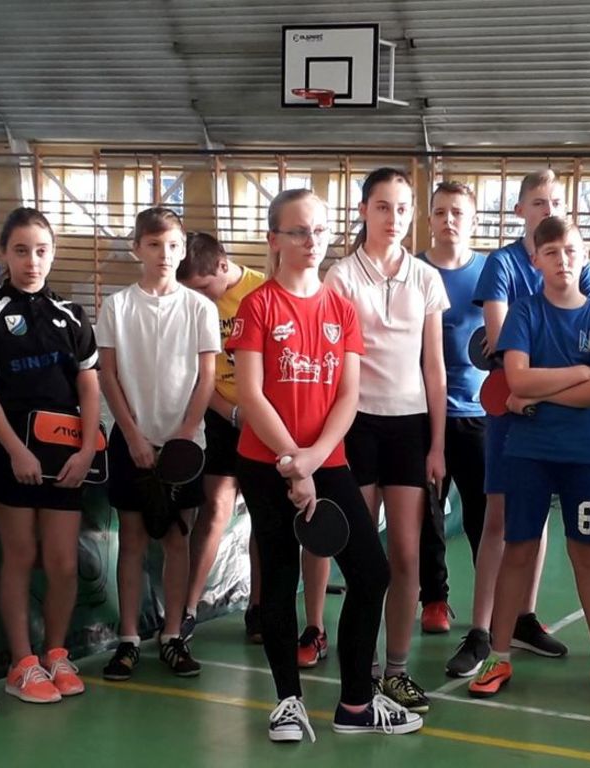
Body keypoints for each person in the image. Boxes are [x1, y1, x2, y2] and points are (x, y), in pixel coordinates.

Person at [229, 188, 419, 741]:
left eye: (318, 230)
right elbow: (251, 395)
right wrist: (293, 463)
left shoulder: (341, 309)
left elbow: (348, 395)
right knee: (279, 576)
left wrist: (312, 460)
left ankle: (356, 703)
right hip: (266, 463)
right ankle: (288, 702)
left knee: (372, 572)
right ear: (274, 239)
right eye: (297, 231)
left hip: (326, 461)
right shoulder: (257, 306)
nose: (311, 241)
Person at [467, 217, 590, 705]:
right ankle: (498, 655)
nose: (562, 259)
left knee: (588, 554)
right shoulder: (524, 312)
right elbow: (518, 381)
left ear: (584, 256)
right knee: (518, 550)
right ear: (536, 260)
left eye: (570, 250)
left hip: (586, 458)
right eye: (551, 253)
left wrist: (545, 391)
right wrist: (580, 374)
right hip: (528, 454)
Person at [449, 169, 590, 676]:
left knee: (539, 519)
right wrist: (554, 369)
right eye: (538, 202)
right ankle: (480, 629)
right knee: (498, 518)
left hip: (557, 413)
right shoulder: (503, 264)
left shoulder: (583, 264)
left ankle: (523, 619)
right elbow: (500, 342)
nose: (548, 209)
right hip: (511, 410)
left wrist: (542, 375)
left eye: (556, 201)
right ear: (520, 211)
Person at [323, 167, 448, 713]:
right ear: (363, 210)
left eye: (401, 208)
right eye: (382, 207)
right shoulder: (341, 278)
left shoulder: (426, 278)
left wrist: (437, 445)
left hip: (409, 426)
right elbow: (334, 364)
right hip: (357, 424)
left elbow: (434, 367)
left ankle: (396, 669)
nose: (393, 218)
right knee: (363, 556)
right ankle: (363, 666)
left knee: (405, 553)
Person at [0, 207, 101, 704]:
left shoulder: (71, 313)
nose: (32, 261)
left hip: (64, 454)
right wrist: (17, 451)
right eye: (21, 251)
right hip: (10, 454)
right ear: (4, 253)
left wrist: (86, 448)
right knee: (20, 555)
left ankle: (56, 653)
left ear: (53, 254)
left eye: (41, 251)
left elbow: (89, 385)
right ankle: (22, 664)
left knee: (63, 562)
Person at [97, 207, 219, 681]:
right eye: (153, 245)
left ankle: (172, 635)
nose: (164, 254)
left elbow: (206, 376)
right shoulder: (117, 306)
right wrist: (132, 435)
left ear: (183, 249)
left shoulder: (200, 309)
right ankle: (128, 639)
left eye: (172, 245)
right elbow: (108, 375)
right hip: (132, 443)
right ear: (137, 249)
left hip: (184, 445)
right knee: (131, 540)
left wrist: (185, 434)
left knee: (176, 539)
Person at [177, 232, 266, 642]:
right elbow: (197, 374)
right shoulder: (191, 305)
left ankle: (258, 609)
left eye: (202, 288)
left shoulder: (263, 291)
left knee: (264, 517)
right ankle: (186, 608)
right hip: (221, 414)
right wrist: (230, 412)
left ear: (223, 266)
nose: (198, 298)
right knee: (214, 508)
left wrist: (258, 413)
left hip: (263, 418)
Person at [415, 181, 488, 634]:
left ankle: (490, 603)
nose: (449, 220)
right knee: (428, 514)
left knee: (483, 514)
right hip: (421, 412)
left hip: (478, 413)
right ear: (430, 220)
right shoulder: (414, 269)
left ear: (473, 220)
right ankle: (435, 599)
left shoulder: (490, 272)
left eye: (458, 212)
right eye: (441, 212)